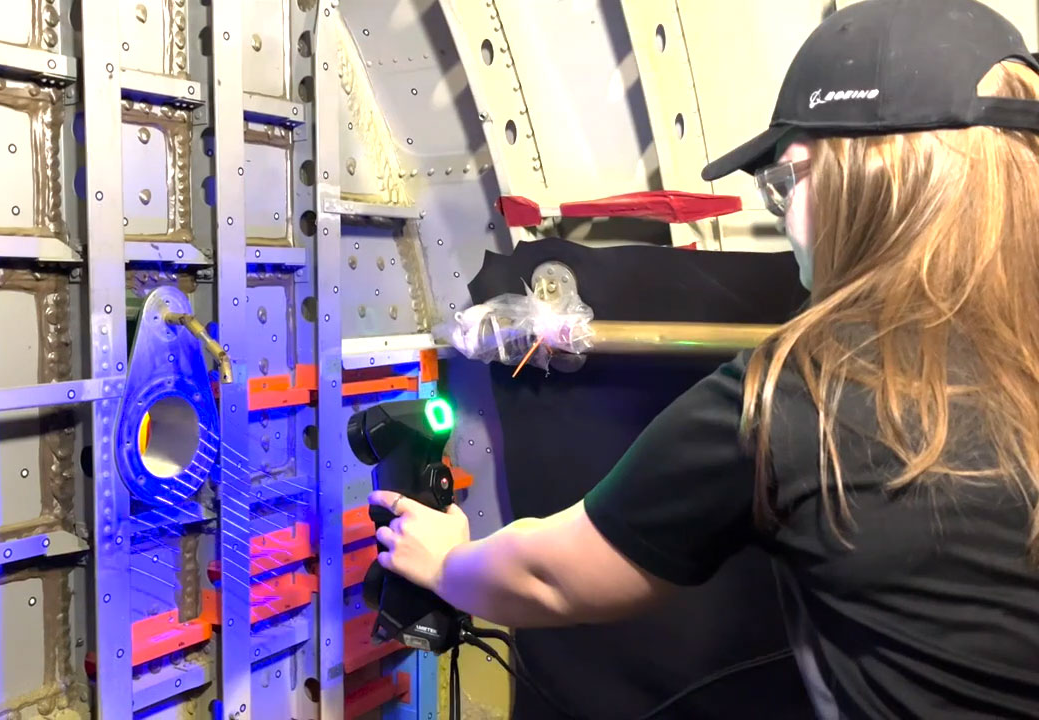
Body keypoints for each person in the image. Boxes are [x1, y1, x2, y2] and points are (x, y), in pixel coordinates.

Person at [368, 0, 1039, 717]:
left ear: (862, 178)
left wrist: (447, 562)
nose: (784, 214)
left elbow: (547, 578)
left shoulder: (803, 395)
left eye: (786, 182)